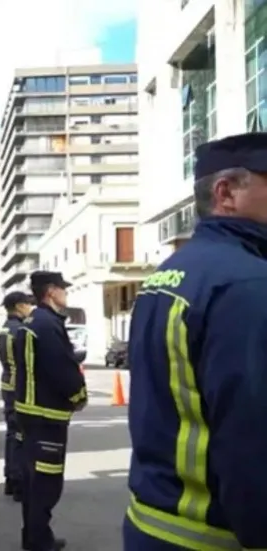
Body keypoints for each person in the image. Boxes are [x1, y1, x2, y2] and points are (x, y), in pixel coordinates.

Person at [124, 132, 267, 550]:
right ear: (226, 193)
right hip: (214, 534)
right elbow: (252, 437)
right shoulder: (246, 282)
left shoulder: (171, 273)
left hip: (153, 520)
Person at [13, 271, 87, 551]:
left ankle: (33, 536)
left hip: (32, 414)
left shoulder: (35, 320)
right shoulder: (46, 324)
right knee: (46, 482)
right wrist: (78, 396)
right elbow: (61, 368)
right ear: (51, 291)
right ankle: (39, 541)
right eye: (63, 289)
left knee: (35, 481)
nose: (66, 294)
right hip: (46, 415)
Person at [0, 291, 34, 502]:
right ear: (19, 306)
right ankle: (19, 482)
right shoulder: (19, 330)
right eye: (28, 304)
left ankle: (11, 479)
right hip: (18, 390)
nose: (30, 307)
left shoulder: (6, 329)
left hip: (8, 387)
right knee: (20, 436)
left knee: (12, 435)